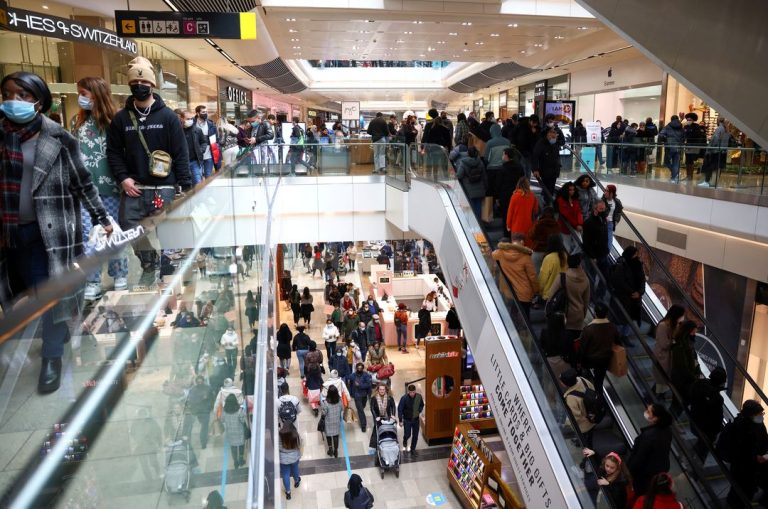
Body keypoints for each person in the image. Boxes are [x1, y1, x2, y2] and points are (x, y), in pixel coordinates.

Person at [1, 71, 111, 393]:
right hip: (9, 232)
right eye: (8, 94)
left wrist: (102, 218)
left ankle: (52, 356)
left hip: (51, 232)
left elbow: (82, 181)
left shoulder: (58, 137)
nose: (14, 101)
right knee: (22, 292)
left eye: (22, 95)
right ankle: (57, 332)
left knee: (49, 293)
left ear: (38, 100)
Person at [106, 57, 191, 286]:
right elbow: (113, 151)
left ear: (153, 86)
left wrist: (185, 186)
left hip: (164, 187)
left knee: (166, 230)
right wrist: (123, 178)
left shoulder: (168, 117)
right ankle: (148, 263)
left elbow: (181, 152)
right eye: (135, 83)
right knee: (131, 229)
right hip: (134, 188)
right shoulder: (121, 119)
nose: (140, 86)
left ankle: (167, 264)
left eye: (145, 83)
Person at [74, 76, 128, 300]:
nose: (81, 98)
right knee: (90, 237)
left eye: (84, 94)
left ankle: (119, 275)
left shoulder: (115, 122)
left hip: (112, 189)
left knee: (113, 234)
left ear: (96, 94)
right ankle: (92, 280)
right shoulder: (77, 123)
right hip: (85, 191)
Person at [547, 253, 590, 361]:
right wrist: (582, 315)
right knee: (574, 344)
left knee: (560, 341)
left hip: (562, 316)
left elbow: (551, 295)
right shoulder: (585, 280)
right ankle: (571, 362)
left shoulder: (562, 277)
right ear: (579, 264)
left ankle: (561, 363)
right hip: (578, 316)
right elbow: (586, 301)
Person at [725, 399, 768, 507]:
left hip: (752, 466)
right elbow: (741, 451)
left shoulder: (757, 424)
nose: (761, 416)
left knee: (741, 491)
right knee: (741, 492)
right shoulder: (741, 427)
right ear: (751, 414)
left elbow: (764, 440)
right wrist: (757, 458)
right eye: (759, 414)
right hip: (743, 468)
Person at [627, 403, 673, 496]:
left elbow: (638, 459)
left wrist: (628, 471)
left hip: (644, 476)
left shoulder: (648, 437)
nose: (645, 412)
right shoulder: (667, 431)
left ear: (655, 418)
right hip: (659, 470)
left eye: (648, 411)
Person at [492, 234, 539, 320]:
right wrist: (536, 290)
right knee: (525, 314)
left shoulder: (501, 254)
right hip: (525, 291)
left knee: (514, 311)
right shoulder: (525, 256)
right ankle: (523, 331)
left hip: (511, 290)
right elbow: (532, 276)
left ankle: (516, 329)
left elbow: (492, 254)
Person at [578, 303, 621, 396]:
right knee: (599, 382)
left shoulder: (588, 329)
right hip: (605, 359)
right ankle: (599, 398)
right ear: (606, 314)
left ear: (595, 313)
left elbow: (583, 348)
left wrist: (580, 362)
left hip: (590, 359)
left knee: (585, 378)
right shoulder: (612, 327)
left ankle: (585, 393)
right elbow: (618, 342)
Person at [689, 366, 726, 462]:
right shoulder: (717, 398)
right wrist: (718, 431)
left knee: (701, 444)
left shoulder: (699, 384)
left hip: (694, 421)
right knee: (703, 451)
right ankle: (696, 472)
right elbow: (717, 419)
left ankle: (688, 456)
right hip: (707, 431)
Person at [610, 246, 646, 340]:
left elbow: (642, 280)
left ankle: (625, 336)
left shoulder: (638, 265)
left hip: (635, 299)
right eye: (635, 255)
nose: (637, 256)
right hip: (623, 298)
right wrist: (632, 292)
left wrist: (640, 292)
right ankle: (616, 338)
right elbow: (619, 282)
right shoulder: (620, 265)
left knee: (630, 319)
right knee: (620, 318)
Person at [669, 320, 702, 413]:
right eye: (693, 332)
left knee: (679, 404)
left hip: (685, 379)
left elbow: (693, 360)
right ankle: (666, 422)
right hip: (681, 380)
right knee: (678, 404)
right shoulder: (680, 346)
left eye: (695, 331)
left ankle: (667, 421)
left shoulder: (688, 343)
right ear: (688, 331)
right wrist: (694, 376)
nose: (694, 334)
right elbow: (682, 366)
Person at [652, 305, 685, 395]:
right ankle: (653, 397)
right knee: (661, 380)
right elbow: (664, 344)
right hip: (662, 357)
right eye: (681, 315)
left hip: (668, 358)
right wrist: (674, 340)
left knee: (664, 381)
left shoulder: (674, 325)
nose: (683, 318)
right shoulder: (663, 325)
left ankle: (657, 395)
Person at [561, 368, 596, 448]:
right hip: (592, 417)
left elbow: (575, 417)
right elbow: (593, 389)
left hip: (585, 425)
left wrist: (566, 423)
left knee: (586, 441)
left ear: (566, 384)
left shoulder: (571, 398)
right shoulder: (582, 380)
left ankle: (586, 451)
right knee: (590, 436)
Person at [582, 201, 610, 297]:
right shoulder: (588, 223)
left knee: (605, 277)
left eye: (604, 209)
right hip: (593, 256)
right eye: (601, 209)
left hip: (603, 254)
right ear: (595, 209)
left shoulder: (604, 220)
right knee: (591, 278)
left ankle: (599, 296)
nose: (603, 211)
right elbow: (586, 242)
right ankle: (590, 298)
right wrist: (592, 256)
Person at [183, 375, 215, 450]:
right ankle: (203, 441)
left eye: (201, 381)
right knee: (204, 427)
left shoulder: (204, 389)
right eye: (199, 381)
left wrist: (210, 407)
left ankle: (203, 442)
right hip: (200, 411)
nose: (200, 382)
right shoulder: (196, 390)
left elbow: (212, 399)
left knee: (204, 427)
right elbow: (191, 401)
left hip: (203, 411)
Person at [130, 408, 163, 480]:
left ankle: (158, 473)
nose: (142, 416)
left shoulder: (152, 422)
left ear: (146, 415)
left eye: (143, 414)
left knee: (153, 462)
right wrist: (137, 440)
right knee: (144, 465)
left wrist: (159, 443)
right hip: (140, 446)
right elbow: (132, 433)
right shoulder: (135, 423)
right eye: (140, 415)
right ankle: (149, 479)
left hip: (151, 445)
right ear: (138, 415)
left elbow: (158, 432)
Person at [532, 127, 562, 201]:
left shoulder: (555, 143)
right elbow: (535, 156)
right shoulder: (541, 143)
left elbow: (556, 156)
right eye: (552, 133)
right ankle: (546, 203)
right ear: (547, 134)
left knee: (551, 188)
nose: (554, 135)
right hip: (545, 170)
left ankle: (548, 202)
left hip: (554, 170)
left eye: (555, 134)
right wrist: (535, 169)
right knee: (546, 188)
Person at [455, 146, 486, 218]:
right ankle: (478, 223)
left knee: (470, 207)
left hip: (468, 189)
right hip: (480, 188)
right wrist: (485, 187)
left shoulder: (463, 163)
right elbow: (484, 176)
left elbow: (459, 175)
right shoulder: (480, 162)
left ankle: (472, 223)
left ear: (468, 153)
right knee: (478, 206)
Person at [700, 118, 731, 187]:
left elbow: (715, 139)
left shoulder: (719, 128)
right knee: (718, 168)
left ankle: (708, 182)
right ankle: (714, 183)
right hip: (723, 151)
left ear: (719, 121)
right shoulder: (727, 130)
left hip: (715, 151)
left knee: (712, 167)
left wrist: (709, 149)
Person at [529, 206, 561, 274]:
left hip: (538, 251)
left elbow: (531, 235)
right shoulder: (556, 225)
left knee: (536, 274)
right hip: (551, 254)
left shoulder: (538, 224)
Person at [421, 108, 451, 175]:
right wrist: (449, 149)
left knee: (431, 166)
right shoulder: (446, 123)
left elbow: (425, 138)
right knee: (444, 167)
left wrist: (423, 147)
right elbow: (449, 138)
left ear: (430, 115)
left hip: (431, 149)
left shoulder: (429, 125)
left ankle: (432, 181)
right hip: (443, 149)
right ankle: (446, 180)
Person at [181, 109, 207, 184]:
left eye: (191, 119)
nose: (190, 120)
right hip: (183, 162)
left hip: (195, 161)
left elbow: (204, 142)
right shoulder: (178, 131)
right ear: (182, 119)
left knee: (197, 182)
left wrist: (201, 150)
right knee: (186, 184)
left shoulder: (197, 130)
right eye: (188, 119)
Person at [221, 394, 247, 469]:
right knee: (241, 445)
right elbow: (242, 420)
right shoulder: (239, 410)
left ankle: (235, 462)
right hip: (239, 431)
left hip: (230, 432)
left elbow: (222, 419)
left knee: (233, 447)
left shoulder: (224, 410)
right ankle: (241, 459)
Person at [538, 234, 568, 301]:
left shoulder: (549, 258)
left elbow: (543, 278)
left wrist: (539, 291)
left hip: (549, 295)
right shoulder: (565, 256)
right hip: (562, 293)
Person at [555, 181, 583, 252]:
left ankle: (571, 259)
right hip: (565, 227)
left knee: (580, 244)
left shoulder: (575, 200)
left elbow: (579, 212)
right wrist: (576, 225)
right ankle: (568, 260)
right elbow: (566, 214)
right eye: (570, 190)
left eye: (573, 189)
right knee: (566, 247)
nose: (572, 191)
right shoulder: (561, 200)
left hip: (575, 226)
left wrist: (579, 223)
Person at [398, 384, 425, 455]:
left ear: (415, 391)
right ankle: (405, 439)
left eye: (413, 392)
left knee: (415, 435)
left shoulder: (419, 397)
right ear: (408, 391)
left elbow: (422, 405)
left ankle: (413, 449)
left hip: (416, 420)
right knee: (408, 434)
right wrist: (400, 420)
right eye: (410, 392)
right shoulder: (404, 398)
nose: (412, 394)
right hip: (407, 420)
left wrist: (419, 410)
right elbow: (400, 409)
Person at [278, 422, 302, 500]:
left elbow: (278, 447)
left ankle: (288, 492)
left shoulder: (280, 435)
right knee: (295, 469)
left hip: (283, 459)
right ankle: (296, 481)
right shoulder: (295, 434)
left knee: (285, 474)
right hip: (294, 457)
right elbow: (299, 444)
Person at [347, 362, 373, 433]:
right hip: (357, 396)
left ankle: (361, 410)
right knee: (360, 410)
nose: (359, 369)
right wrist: (350, 393)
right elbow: (349, 383)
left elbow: (368, 385)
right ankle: (363, 425)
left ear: (362, 368)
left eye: (360, 368)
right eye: (358, 368)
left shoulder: (366, 375)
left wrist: (360, 385)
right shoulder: (352, 376)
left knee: (363, 406)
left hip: (364, 395)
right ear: (356, 369)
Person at [484, 123, 511, 190]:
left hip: (492, 170)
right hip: (505, 168)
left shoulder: (489, 143)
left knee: (492, 190)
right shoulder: (507, 142)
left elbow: (486, 158)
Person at [369, 383, 396, 449]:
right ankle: (375, 445)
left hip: (387, 416)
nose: (382, 391)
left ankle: (387, 442)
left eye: (383, 389)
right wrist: (376, 417)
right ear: (378, 390)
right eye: (380, 389)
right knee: (377, 429)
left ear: (386, 390)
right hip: (378, 416)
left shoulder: (389, 398)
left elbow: (393, 406)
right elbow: (372, 408)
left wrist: (393, 415)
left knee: (387, 428)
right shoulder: (374, 398)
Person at [658, 115, 685, 182]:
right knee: (676, 163)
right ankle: (674, 177)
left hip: (669, 147)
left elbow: (661, 135)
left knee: (666, 162)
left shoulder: (667, 127)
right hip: (678, 147)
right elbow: (684, 137)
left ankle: (675, 174)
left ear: (671, 119)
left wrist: (665, 139)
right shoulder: (681, 127)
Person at [194, 105, 217, 179]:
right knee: (198, 177)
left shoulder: (210, 124)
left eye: (206, 112)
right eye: (203, 112)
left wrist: (216, 155)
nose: (205, 113)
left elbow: (215, 140)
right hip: (196, 156)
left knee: (208, 176)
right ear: (198, 113)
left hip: (209, 155)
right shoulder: (192, 124)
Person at [683, 112, 706, 181]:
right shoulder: (686, 126)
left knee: (691, 161)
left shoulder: (696, 126)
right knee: (687, 161)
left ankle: (690, 176)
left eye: (690, 119)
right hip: (688, 145)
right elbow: (685, 135)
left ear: (693, 120)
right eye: (687, 119)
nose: (688, 121)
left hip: (694, 146)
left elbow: (697, 136)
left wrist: (688, 132)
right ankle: (688, 175)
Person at [322, 385, 344, 457]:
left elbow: (324, 413)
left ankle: (330, 450)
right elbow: (342, 409)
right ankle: (336, 451)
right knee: (336, 436)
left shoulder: (326, 402)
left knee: (328, 435)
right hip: (337, 421)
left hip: (328, 421)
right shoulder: (340, 400)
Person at [601, 184, 623, 248]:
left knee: (609, 244)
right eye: (605, 190)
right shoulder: (601, 201)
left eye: (607, 191)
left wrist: (616, 221)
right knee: (601, 242)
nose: (605, 192)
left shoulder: (617, 201)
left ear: (612, 193)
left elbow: (619, 212)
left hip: (610, 224)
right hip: (602, 224)